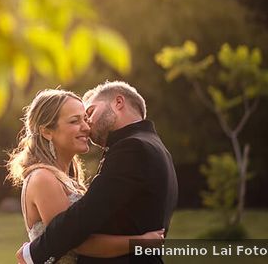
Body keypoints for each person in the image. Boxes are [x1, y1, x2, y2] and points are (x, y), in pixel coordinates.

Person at [17, 82, 178, 264]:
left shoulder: (133, 148)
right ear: (47, 132)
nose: (87, 125)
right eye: (75, 120)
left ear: (118, 102)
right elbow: (79, 232)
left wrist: (31, 254)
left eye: (88, 115)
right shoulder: (42, 177)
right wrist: (139, 243)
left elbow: (81, 222)